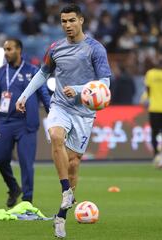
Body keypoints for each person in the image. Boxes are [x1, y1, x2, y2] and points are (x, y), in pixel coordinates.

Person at [16, 4, 111, 238]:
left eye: (71, 20)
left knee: (73, 163)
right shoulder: (55, 48)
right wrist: (24, 95)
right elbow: (42, 73)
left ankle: (61, 216)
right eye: (63, 21)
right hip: (59, 105)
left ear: (81, 21)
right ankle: (66, 190)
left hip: (84, 113)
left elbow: (105, 84)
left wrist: (79, 90)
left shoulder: (95, 49)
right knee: (56, 136)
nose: (67, 25)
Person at [0, 38, 50, 208]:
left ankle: (27, 202)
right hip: (4, 122)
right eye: (5, 49)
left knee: (26, 163)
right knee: (0, 158)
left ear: (19, 50)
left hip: (26, 124)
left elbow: (44, 94)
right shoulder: (0, 72)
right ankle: (13, 187)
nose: (6, 52)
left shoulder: (33, 71)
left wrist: (53, 114)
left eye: (9, 49)